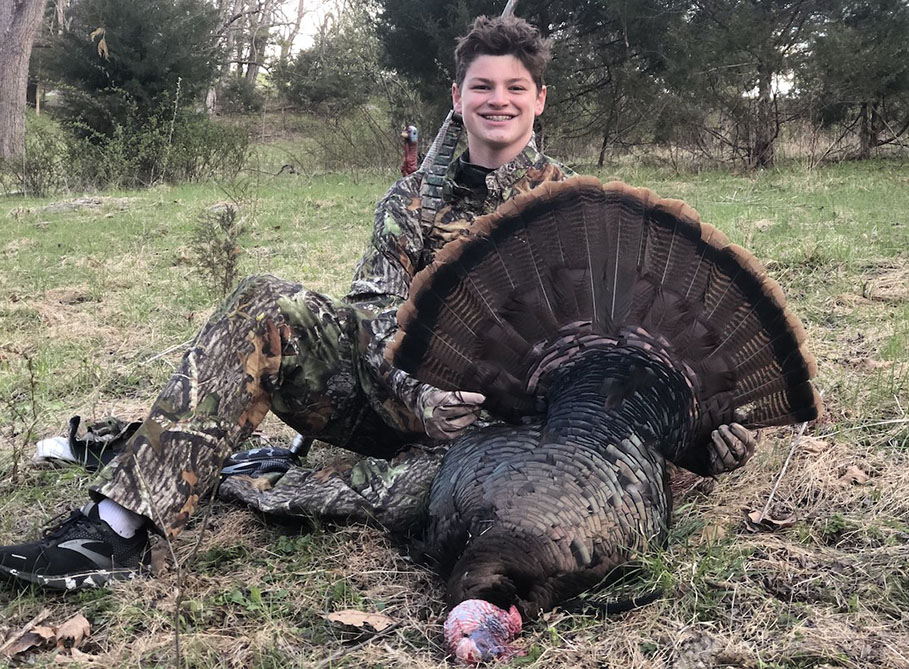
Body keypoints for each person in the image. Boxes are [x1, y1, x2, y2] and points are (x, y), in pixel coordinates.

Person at [0, 16, 754, 591]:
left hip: (516, 446)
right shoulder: (411, 201)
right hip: (402, 406)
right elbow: (371, 312)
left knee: (395, 500)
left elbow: (623, 354)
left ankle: (204, 454)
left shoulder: (579, 210)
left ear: (539, 101)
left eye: (514, 88)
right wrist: (416, 391)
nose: (498, 100)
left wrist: (701, 434)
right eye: (482, 87)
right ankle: (113, 529)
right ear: (456, 98)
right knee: (268, 301)